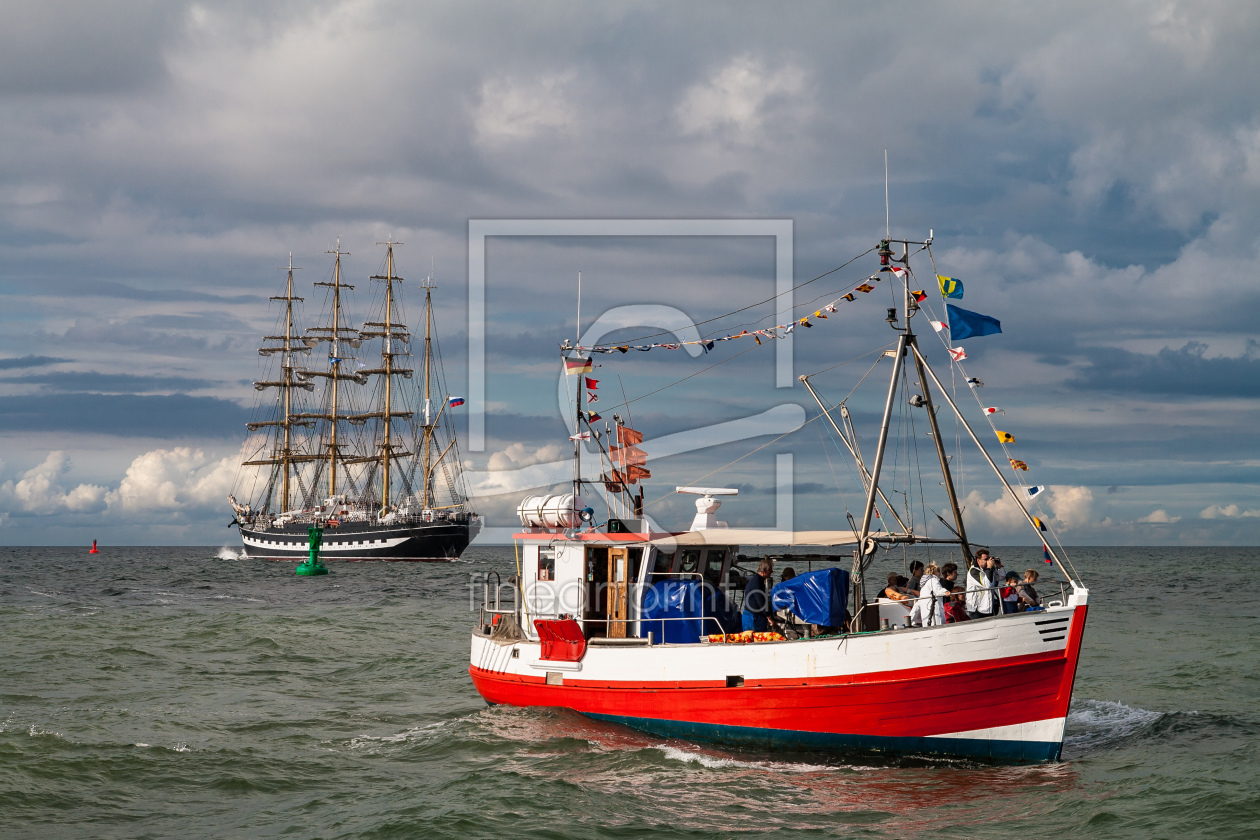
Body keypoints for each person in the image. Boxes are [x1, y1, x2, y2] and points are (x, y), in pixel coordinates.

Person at [742, 557, 775, 632]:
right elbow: (761, 601)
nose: (772, 571)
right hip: (753, 617)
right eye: (770, 569)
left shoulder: (757, 580)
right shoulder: (757, 582)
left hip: (752, 615)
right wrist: (769, 618)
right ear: (764, 570)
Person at [965, 552, 999, 620]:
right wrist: (989, 568)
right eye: (986, 559)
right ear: (978, 560)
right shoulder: (974, 571)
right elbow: (987, 585)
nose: (988, 561)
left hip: (988, 606)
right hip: (977, 608)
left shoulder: (987, 569)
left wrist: (999, 566)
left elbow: (1001, 577)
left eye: (989, 559)